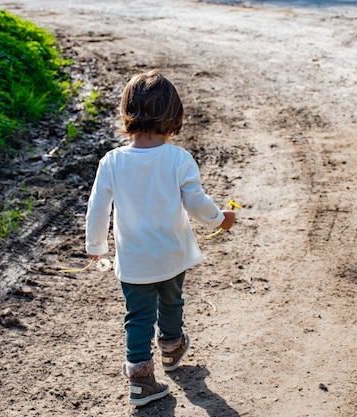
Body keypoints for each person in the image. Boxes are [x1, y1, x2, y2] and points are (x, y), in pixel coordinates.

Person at [85, 70, 235, 407]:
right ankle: (171, 347)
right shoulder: (178, 159)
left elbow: (98, 208)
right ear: (174, 116)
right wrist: (219, 220)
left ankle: (140, 382)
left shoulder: (112, 161)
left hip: (133, 260)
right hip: (171, 254)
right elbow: (196, 202)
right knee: (172, 301)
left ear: (127, 112)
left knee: (137, 318)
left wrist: (96, 247)